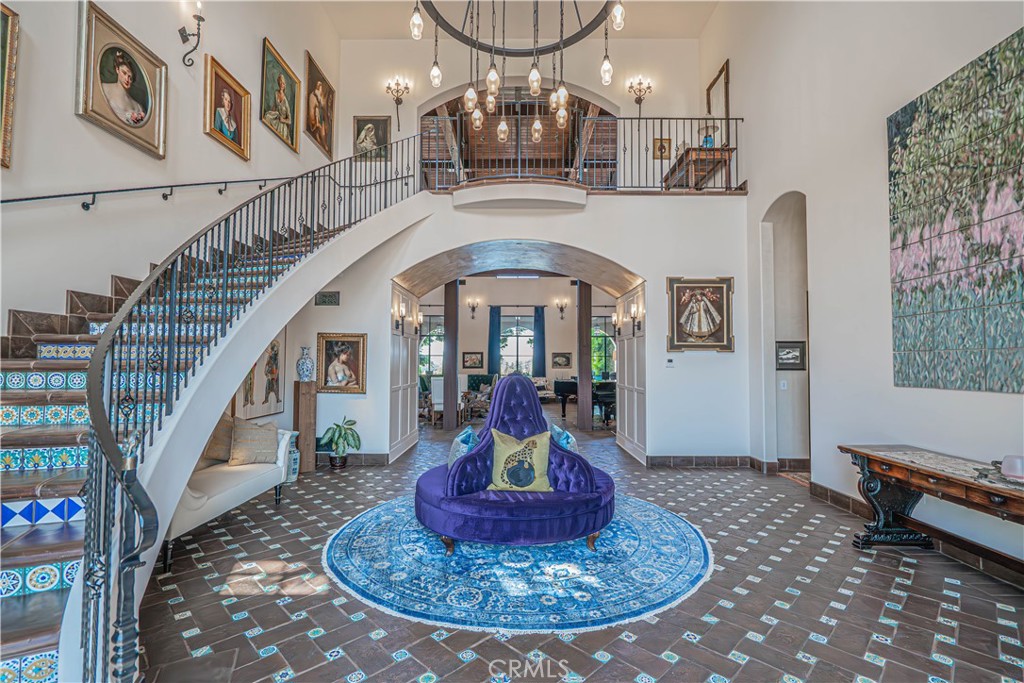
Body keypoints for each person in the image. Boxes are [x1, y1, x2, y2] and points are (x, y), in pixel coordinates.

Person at [101, 50, 146, 127]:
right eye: (124, 73)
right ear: (117, 70)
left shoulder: (138, 107)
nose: (127, 79)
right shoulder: (104, 88)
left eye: (130, 76)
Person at [264, 73, 292, 140]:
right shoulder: (276, 93)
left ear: (284, 85)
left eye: (282, 83)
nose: (281, 84)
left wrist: (282, 120)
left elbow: (289, 120)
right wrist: (272, 113)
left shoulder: (285, 101)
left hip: (282, 124)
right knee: (267, 116)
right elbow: (274, 106)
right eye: (280, 82)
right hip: (276, 117)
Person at [308, 81, 327, 149]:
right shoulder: (314, 93)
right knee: (319, 125)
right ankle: (318, 138)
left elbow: (321, 103)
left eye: (320, 85)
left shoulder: (319, 94)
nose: (319, 86)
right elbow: (316, 103)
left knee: (322, 126)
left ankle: (324, 143)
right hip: (316, 112)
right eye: (318, 84)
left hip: (319, 112)